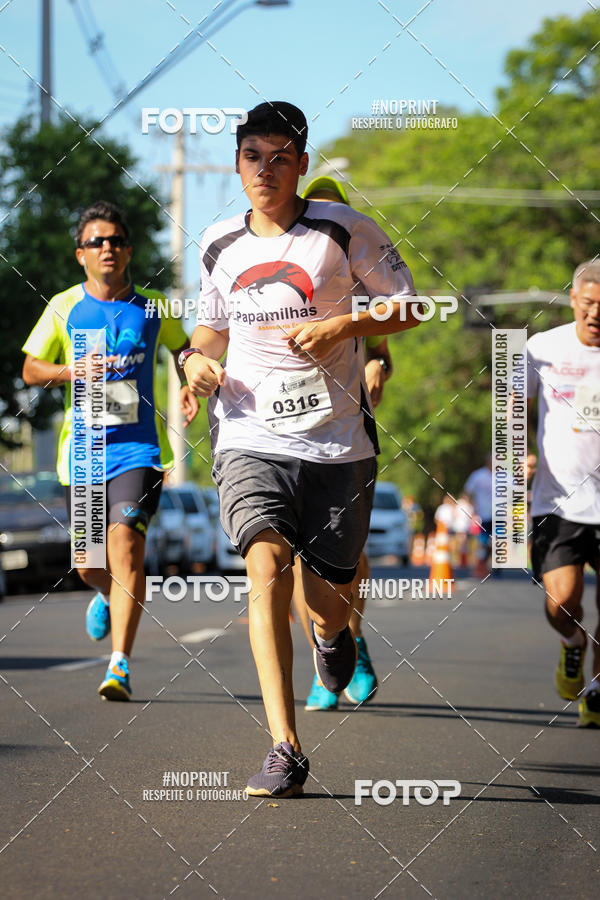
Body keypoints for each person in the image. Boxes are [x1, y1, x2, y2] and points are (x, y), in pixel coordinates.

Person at [183, 101, 418, 796]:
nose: (267, 169)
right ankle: (285, 747)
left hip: (336, 442)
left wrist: (344, 325)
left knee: (327, 598)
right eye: (254, 155)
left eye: (281, 156)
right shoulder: (220, 242)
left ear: (303, 166)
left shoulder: (343, 232)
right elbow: (209, 331)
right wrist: (190, 367)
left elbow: (410, 306)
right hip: (249, 432)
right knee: (265, 564)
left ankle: (333, 637)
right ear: (237, 164)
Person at [22, 201, 197, 701]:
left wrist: (188, 379)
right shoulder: (63, 306)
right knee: (88, 563)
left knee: (125, 548)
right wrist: (72, 371)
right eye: (97, 241)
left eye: (116, 240)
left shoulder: (154, 304)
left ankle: (119, 664)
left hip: (139, 452)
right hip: (85, 453)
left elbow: (183, 347)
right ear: (81, 254)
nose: (108, 249)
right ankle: (103, 593)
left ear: (129, 250)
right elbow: (32, 369)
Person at [291, 175, 394, 713]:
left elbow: (384, 347)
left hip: (346, 430)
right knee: (286, 558)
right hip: (283, 431)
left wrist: (377, 365)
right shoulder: (282, 270)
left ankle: (352, 640)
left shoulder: (359, 277)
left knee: (345, 560)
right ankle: (320, 656)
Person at [527, 259, 600, 727]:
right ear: (573, 299)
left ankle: (595, 694)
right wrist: (514, 460)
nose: (596, 314)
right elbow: (510, 406)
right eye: (588, 304)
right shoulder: (541, 348)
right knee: (562, 601)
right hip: (558, 502)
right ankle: (573, 644)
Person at [464, 454, 493, 575]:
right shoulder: (478, 475)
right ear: (487, 461)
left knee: (498, 540)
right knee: (484, 541)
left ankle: (496, 567)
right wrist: (473, 508)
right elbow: (467, 492)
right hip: (484, 515)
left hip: (501, 515)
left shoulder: (504, 476)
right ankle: (482, 565)